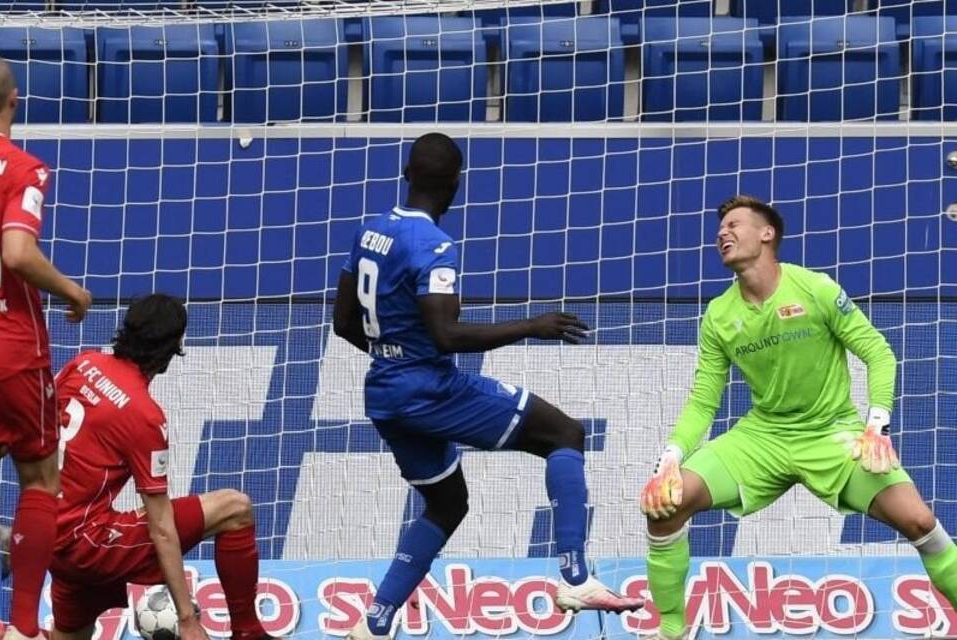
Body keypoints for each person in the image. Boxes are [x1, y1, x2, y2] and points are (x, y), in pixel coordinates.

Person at [333, 132, 644, 640]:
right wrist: (530, 326)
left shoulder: (370, 231)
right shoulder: (433, 246)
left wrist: (393, 358)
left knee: (447, 504)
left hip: (385, 394)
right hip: (429, 390)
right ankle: (576, 577)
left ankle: (375, 621)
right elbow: (447, 334)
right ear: (457, 185)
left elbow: (343, 322)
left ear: (405, 173)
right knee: (564, 435)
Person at [639, 195, 957, 640]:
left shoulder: (816, 289)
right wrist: (671, 458)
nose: (722, 234)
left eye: (734, 225)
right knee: (666, 504)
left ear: (767, 234)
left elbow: (878, 353)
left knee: (920, 521)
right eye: (719, 230)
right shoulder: (718, 315)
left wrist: (875, 425)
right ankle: (671, 629)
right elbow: (703, 400)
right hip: (762, 438)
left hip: (833, 434)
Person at [50, 295, 276, 640]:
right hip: (87, 542)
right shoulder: (144, 416)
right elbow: (162, 528)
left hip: (47, 531)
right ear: (174, 347)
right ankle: (248, 632)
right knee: (235, 508)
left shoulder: (83, 363)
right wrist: (187, 618)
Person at [0, 56, 92, 640]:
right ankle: (26, 626)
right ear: (14, 102)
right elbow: (16, 254)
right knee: (39, 481)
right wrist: (71, 290)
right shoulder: (23, 168)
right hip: (10, 345)